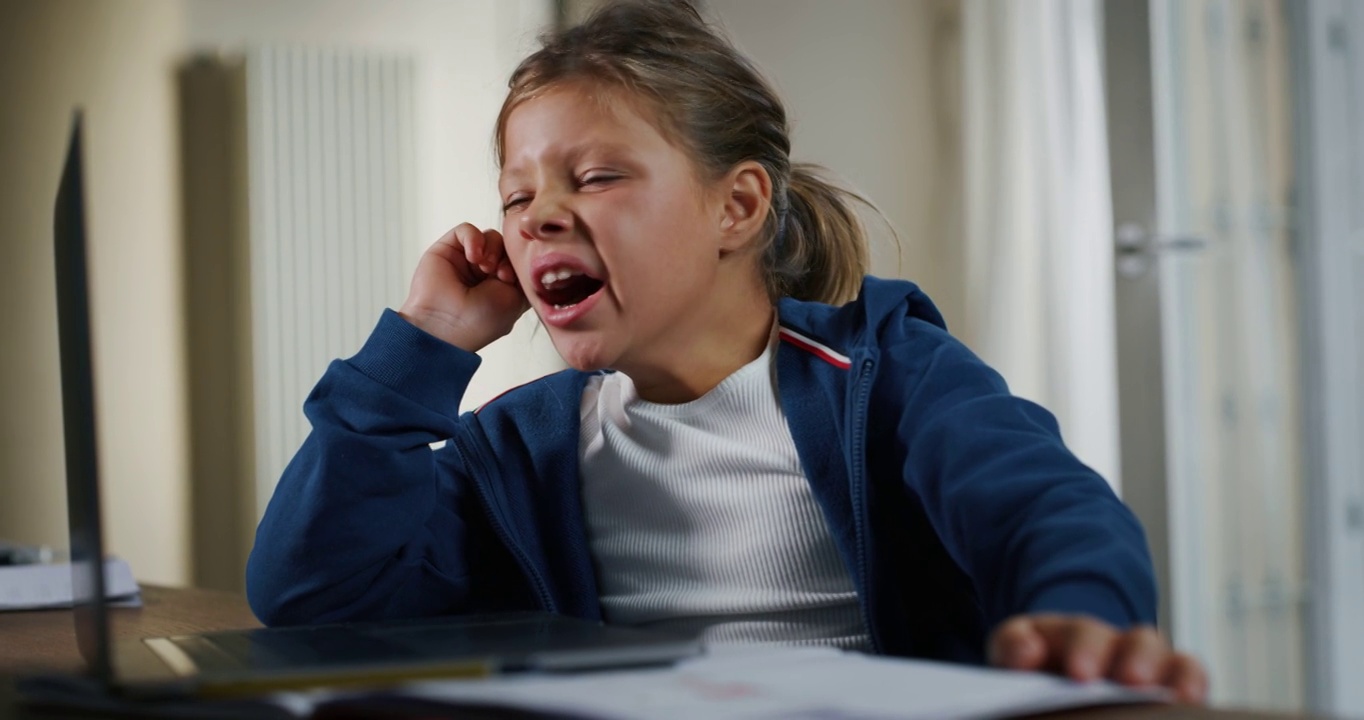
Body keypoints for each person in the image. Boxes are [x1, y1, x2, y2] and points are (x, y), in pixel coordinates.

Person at [246, 0, 1207, 703]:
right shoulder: (525, 450)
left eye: (596, 176)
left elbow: (1046, 506)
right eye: (515, 196)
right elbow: (314, 594)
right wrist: (420, 348)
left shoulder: (887, 377)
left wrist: (1086, 619)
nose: (539, 217)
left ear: (736, 206)